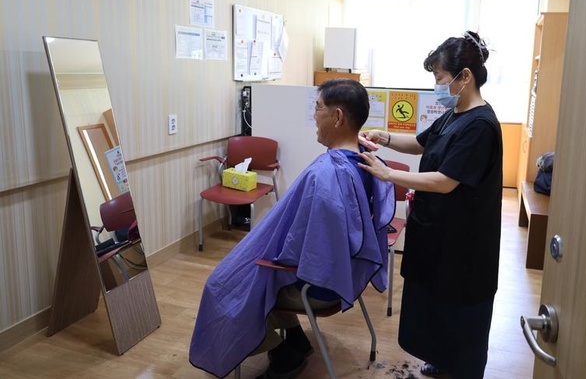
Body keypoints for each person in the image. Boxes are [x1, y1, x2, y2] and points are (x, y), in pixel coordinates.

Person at [189, 79, 395, 379]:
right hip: (348, 274)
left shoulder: (325, 174)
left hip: (320, 286)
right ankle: (296, 341)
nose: (314, 114)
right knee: (252, 275)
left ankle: (284, 358)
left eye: (318, 107)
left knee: (224, 288)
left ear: (337, 117)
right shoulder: (368, 160)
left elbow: (304, 249)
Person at [358, 31, 503, 378]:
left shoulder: (480, 125)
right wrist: (384, 137)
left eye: (440, 77)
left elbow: (445, 181)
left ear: (464, 77)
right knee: (436, 304)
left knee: (460, 308)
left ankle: (462, 370)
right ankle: (444, 360)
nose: (437, 85)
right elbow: (422, 143)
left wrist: (389, 175)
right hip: (437, 233)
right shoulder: (455, 115)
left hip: (464, 243)